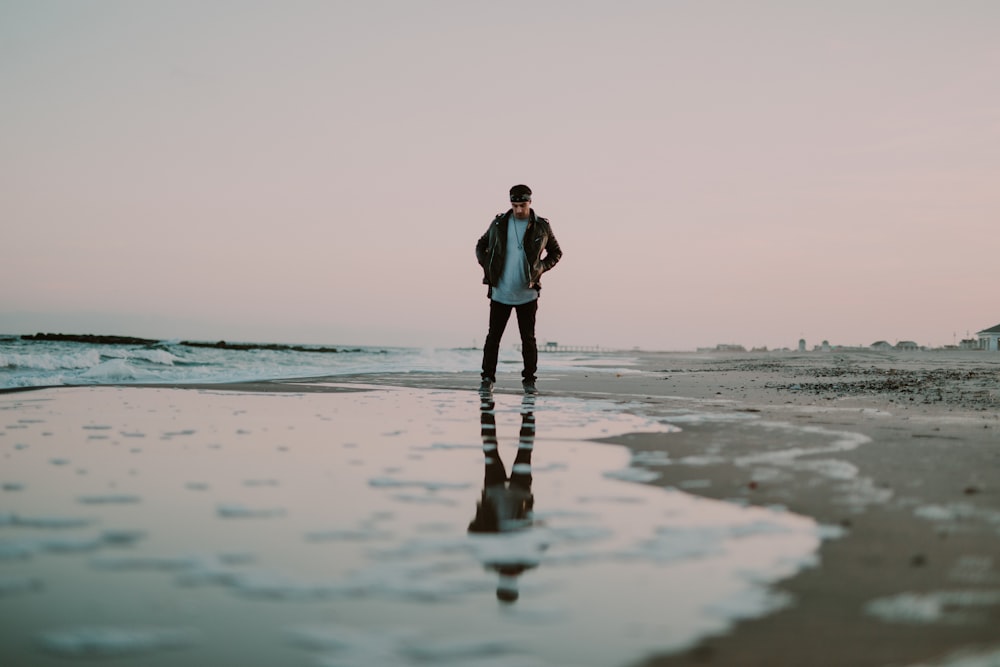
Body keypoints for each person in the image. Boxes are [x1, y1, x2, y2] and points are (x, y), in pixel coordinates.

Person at [475, 184, 562, 394]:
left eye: (522, 205)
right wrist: (487, 265)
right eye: (515, 205)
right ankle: (487, 379)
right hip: (500, 292)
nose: (518, 210)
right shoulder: (498, 223)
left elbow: (556, 253)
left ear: (530, 202)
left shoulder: (542, 226)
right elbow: (481, 244)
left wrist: (540, 268)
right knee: (493, 338)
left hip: (527, 294)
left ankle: (529, 381)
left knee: (528, 339)